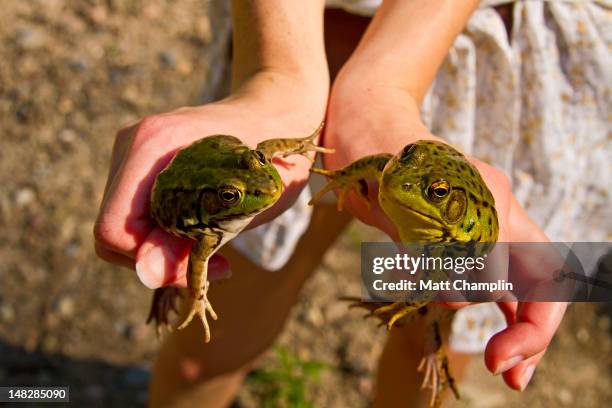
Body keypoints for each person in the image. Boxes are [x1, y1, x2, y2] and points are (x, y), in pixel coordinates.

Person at [94, 0, 609, 406]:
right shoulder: (380, 168)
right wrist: (281, 76)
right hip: (308, 28)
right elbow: (369, 165)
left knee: (431, 345)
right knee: (208, 350)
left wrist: (383, 89)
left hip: (516, 53)